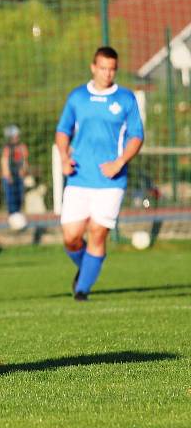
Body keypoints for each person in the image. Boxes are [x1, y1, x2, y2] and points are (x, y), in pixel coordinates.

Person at [56, 46, 144, 301]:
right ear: (93, 67)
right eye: (102, 68)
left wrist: (120, 162)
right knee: (71, 237)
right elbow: (63, 130)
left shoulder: (126, 99)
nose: (107, 74)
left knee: (97, 231)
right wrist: (63, 157)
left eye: (112, 69)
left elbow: (137, 136)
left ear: (115, 70)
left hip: (110, 180)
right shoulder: (77, 97)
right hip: (79, 176)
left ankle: (82, 290)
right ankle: (88, 269)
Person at [0, 124, 29, 215]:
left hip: (19, 175)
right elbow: (4, 161)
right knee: (11, 198)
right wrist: (8, 175)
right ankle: (12, 215)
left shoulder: (22, 147)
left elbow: (25, 160)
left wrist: (24, 170)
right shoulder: (7, 148)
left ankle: (17, 214)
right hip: (10, 175)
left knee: (19, 197)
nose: (17, 137)